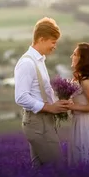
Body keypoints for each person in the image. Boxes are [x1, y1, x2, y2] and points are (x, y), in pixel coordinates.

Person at [14, 17, 69, 168]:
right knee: (57, 168)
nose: (54, 46)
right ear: (42, 39)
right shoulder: (27, 63)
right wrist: (49, 107)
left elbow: (41, 91)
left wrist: (58, 102)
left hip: (44, 121)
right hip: (37, 122)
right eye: (53, 42)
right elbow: (21, 97)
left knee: (40, 171)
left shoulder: (39, 60)